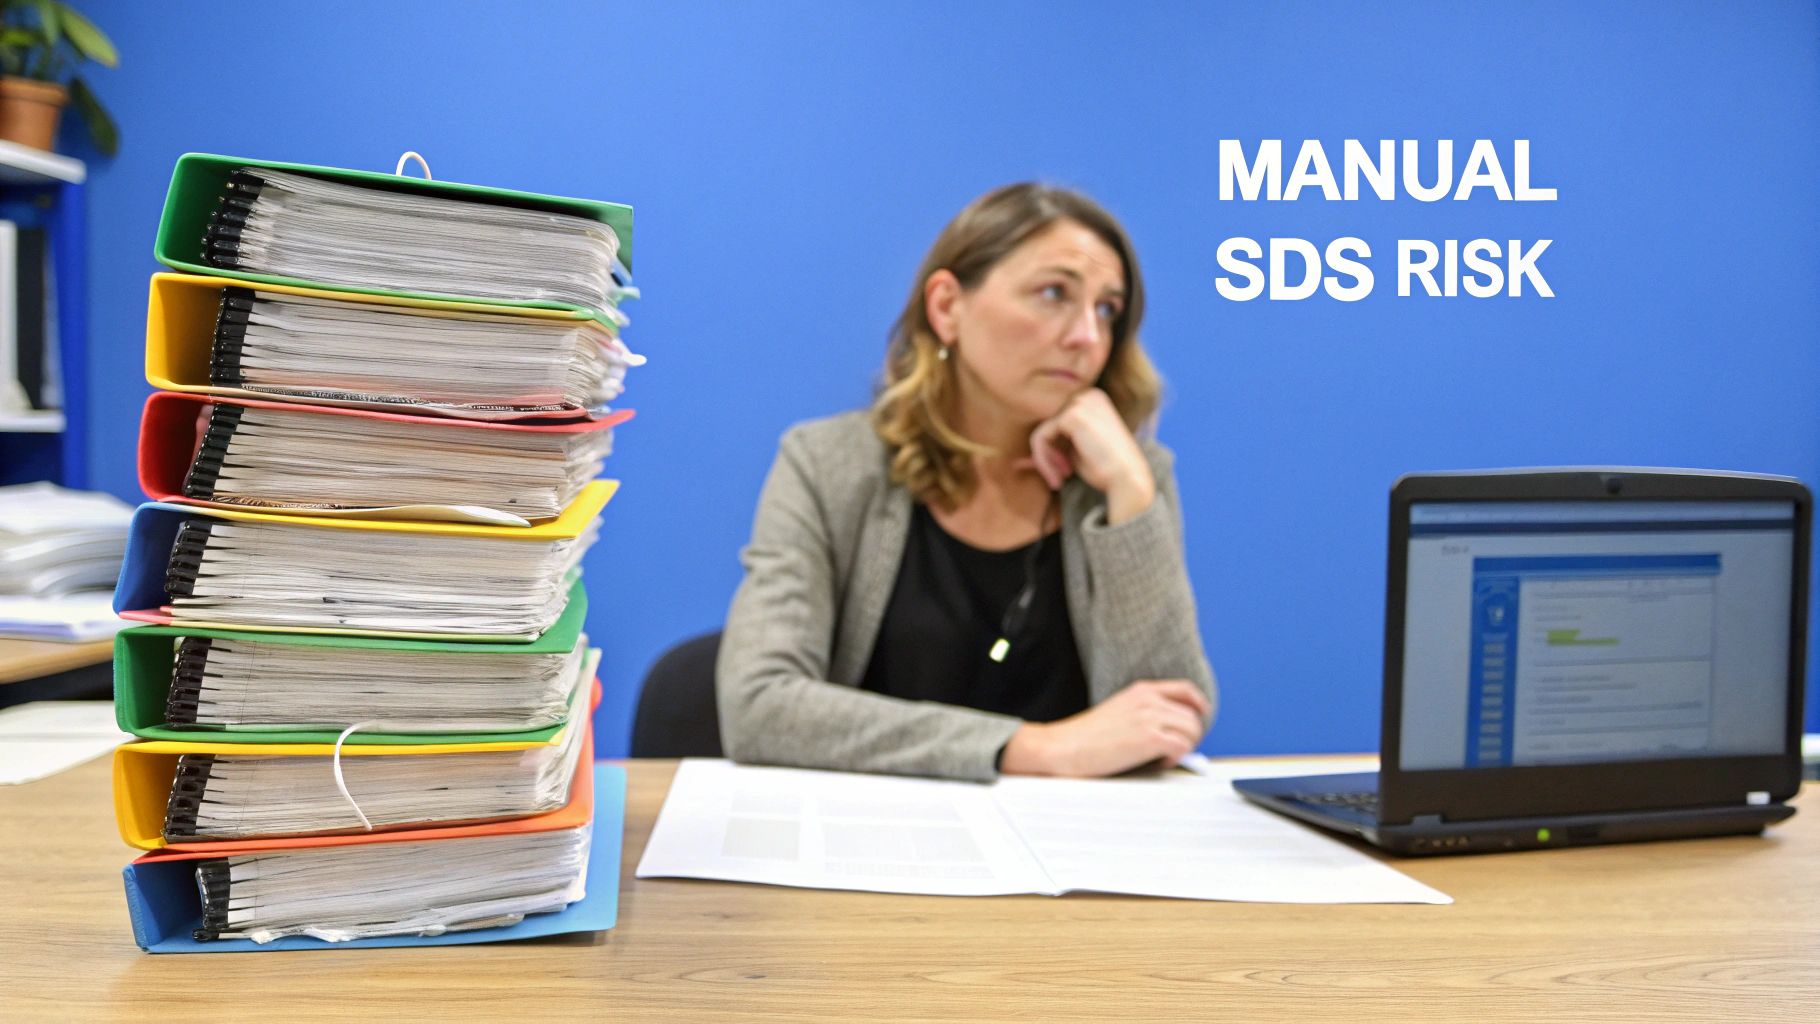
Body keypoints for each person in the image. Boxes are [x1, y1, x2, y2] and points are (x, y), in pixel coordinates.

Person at [716, 183, 1214, 782]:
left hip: (1078, 852)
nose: (1087, 337)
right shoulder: (827, 464)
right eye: (1054, 293)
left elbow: (1167, 721)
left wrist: (1132, 494)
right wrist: (1032, 748)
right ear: (948, 307)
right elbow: (761, 707)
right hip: (870, 842)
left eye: (1106, 309)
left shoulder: (1124, 476)